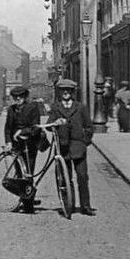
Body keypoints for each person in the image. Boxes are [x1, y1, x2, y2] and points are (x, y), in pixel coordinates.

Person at [47, 78, 95, 216]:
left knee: (82, 176)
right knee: (65, 177)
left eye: (68, 90)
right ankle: (69, 205)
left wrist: (84, 142)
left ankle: (86, 206)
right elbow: (49, 126)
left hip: (78, 147)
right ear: (59, 92)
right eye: (63, 90)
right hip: (63, 147)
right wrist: (55, 123)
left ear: (73, 92)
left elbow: (89, 127)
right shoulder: (55, 108)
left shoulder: (80, 107)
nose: (66, 93)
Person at [3, 85, 44, 213]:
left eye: (20, 96)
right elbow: (8, 128)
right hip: (17, 145)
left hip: (30, 144)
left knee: (29, 173)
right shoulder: (11, 110)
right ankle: (25, 197)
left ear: (25, 97)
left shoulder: (32, 108)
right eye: (15, 97)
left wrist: (22, 131)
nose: (18, 99)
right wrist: (8, 142)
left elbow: (36, 127)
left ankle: (28, 203)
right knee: (20, 172)